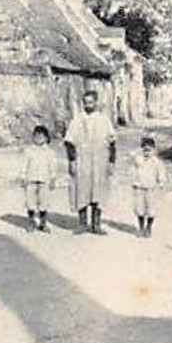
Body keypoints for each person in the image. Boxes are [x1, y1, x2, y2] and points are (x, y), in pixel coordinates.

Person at [64, 89, 115, 235]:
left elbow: (112, 143)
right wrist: (72, 161)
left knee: (98, 191)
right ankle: (82, 223)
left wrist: (111, 162)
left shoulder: (104, 120)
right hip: (82, 161)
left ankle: (96, 224)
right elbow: (69, 142)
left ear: (96, 103)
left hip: (100, 161)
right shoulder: (77, 120)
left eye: (91, 102)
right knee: (81, 190)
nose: (88, 105)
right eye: (85, 102)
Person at [20, 125, 59, 232]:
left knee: (44, 201)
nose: (38, 139)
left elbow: (53, 166)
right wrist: (23, 177)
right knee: (30, 201)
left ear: (46, 138)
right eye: (36, 136)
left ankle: (43, 222)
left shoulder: (50, 152)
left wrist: (53, 179)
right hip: (31, 179)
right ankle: (31, 221)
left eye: (41, 136)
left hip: (44, 180)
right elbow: (24, 164)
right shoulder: (29, 151)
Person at [129, 136, 168, 238]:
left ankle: (149, 227)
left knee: (151, 208)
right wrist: (133, 181)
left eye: (149, 150)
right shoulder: (138, 160)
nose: (147, 153)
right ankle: (141, 227)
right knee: (139, 208)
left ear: (154, 150)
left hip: (151, 188)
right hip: (139, 186)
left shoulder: (157, 162)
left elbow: (161, 173)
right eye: (144, 150)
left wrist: (161, 182)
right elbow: (133, 169)